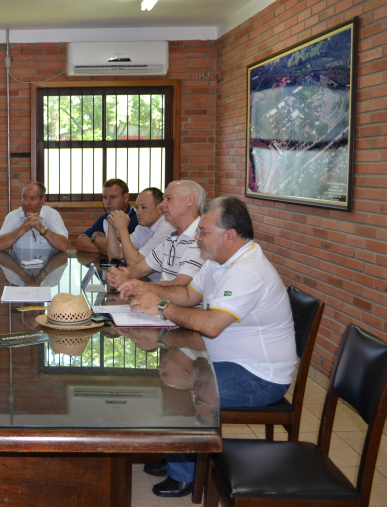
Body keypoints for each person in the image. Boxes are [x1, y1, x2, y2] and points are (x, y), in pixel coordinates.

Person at [118, 196, 297, 497]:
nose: (197, 237)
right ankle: (175, 451)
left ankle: (185, 473)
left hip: (260, 376)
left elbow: (211, 325)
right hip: (229, 360)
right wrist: (145, 287)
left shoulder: (247, 270)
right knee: (168, 380)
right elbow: (188, 294)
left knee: (180, 398)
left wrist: (159, 305)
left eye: (204, 232)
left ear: (230, 235)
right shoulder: (218, 260)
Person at [107, 180, 205, 288]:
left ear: (189, 200)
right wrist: (119, 274)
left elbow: (180, 285)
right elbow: (140, 269)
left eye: (168, 199)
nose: (162, 205)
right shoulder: (172, 237)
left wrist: (134, 285)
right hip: (161, 301)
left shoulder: (200, 238)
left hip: (179, 304)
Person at [106, 187, 175, 281]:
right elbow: (115, 255)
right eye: (137, 208)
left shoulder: (166, 227)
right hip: (146, 281)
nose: (138, 212)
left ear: (160, 209)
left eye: (144, 207)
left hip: (161, 289)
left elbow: (134, 263)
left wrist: (123, 229)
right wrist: (111, 223)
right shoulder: (142, 227)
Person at [0, 181, 69, 252]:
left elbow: (63, 246)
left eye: (32, 199)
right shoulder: (12, 216)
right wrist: (22, 229)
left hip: (46, 264)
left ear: (42, 201)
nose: (27, 204)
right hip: (20, 264)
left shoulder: (53, 215)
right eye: (24, 198)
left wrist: (42, 229)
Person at [75, 179, 139, 254]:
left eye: (113, 197)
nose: (107, 202)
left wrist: (96, 237)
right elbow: (80, 242)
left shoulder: (137, 218)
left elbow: (119, 251)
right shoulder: (106, 217)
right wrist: (105, 248)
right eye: (105, 197)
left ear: (125, 198)